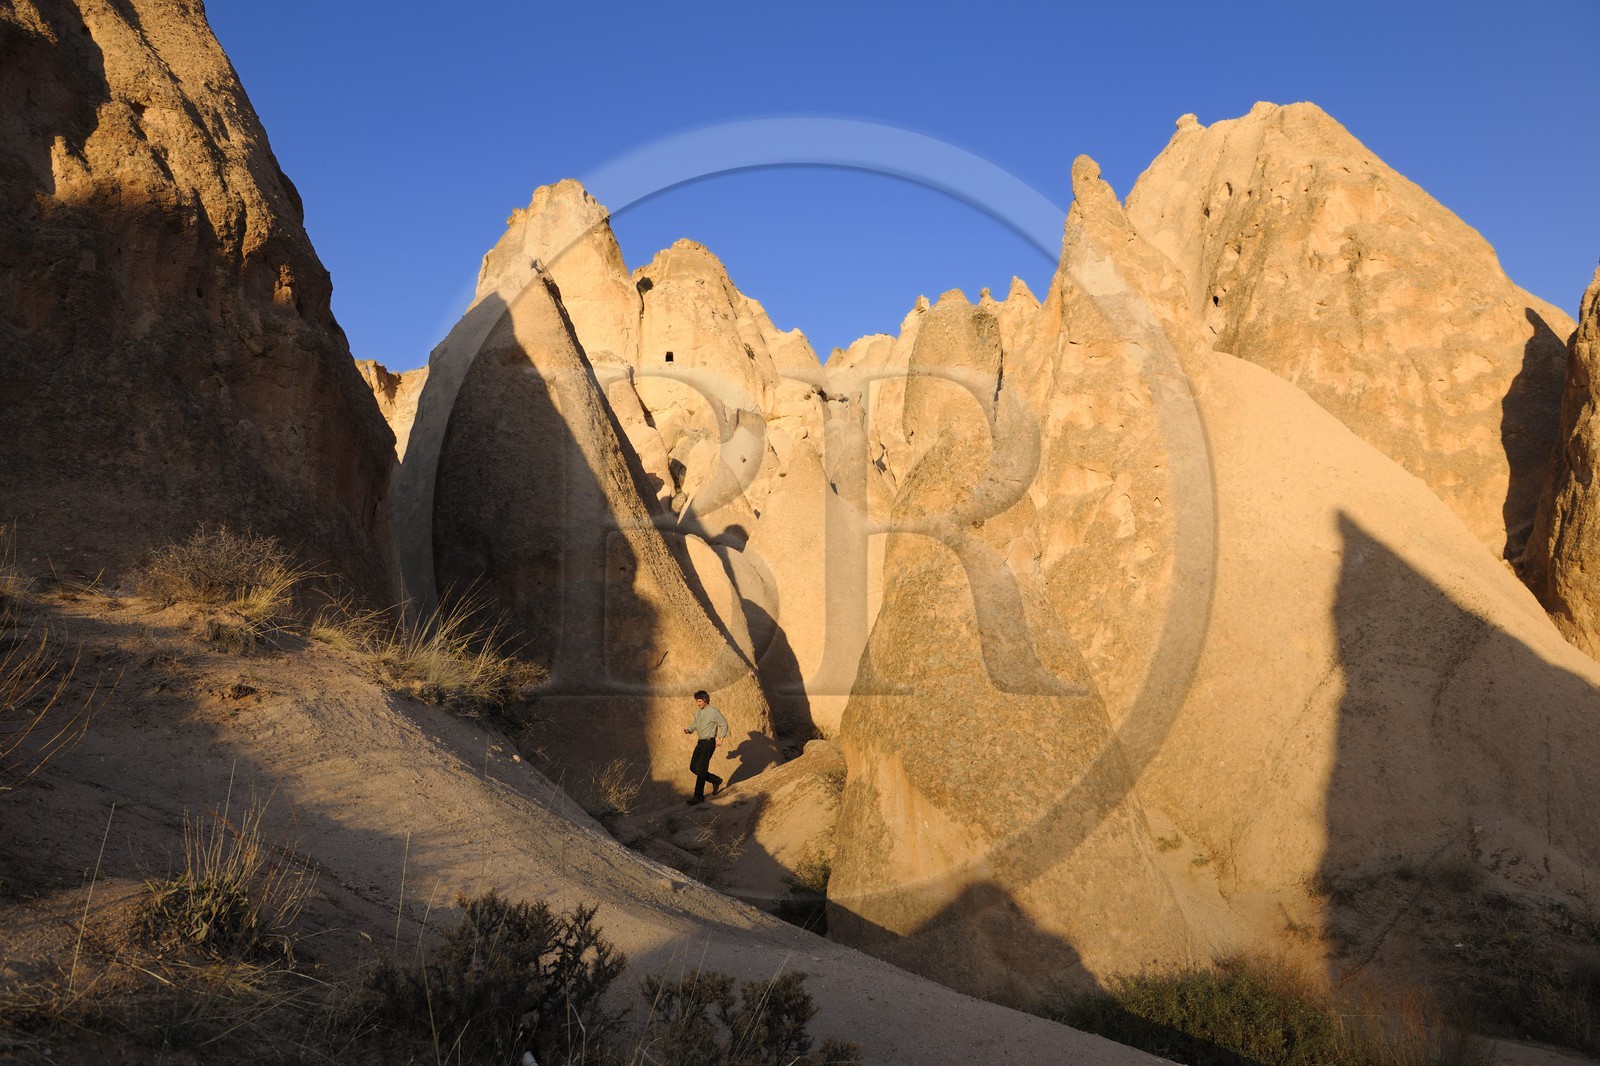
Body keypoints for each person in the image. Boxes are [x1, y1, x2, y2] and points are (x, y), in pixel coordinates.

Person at [682, 689, 730, 805]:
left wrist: (721, 738)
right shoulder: (699, 712)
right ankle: (715, 780)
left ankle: (698, 796)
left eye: (699, 701)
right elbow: (695, 725)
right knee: (693, 767)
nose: (698, 703)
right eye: (697, 701)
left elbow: (724, 724)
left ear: (705, 700)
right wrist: (689, 729)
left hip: (709, 743)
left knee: (702, 769)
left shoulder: (713, 711)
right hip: (700, 743)